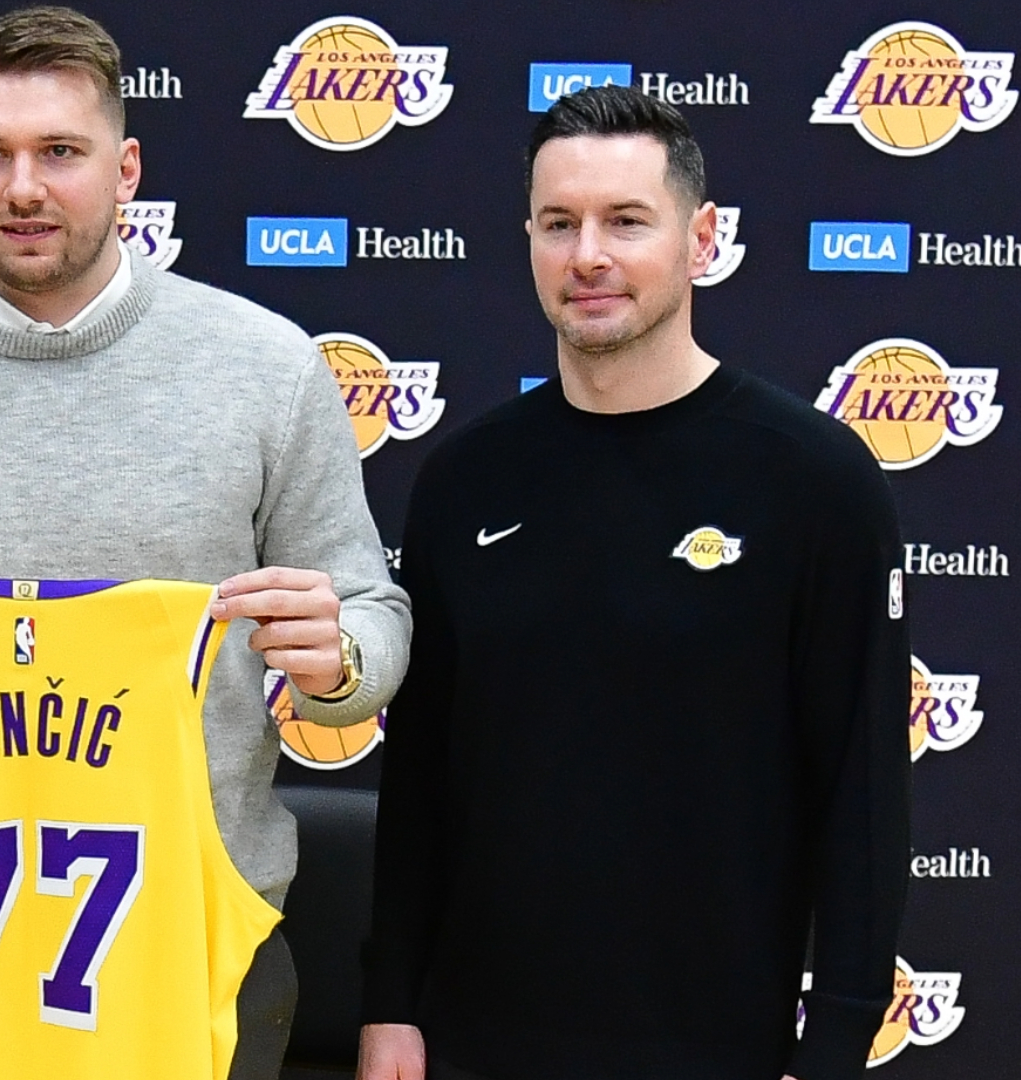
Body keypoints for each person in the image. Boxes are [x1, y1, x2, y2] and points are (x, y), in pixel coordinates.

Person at [0, 7, 410, 1077]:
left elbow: (369, 616)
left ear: (125, 168)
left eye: (60, 151)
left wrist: (339, 662)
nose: (25, 188)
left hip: (195, 947)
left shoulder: (267, 368)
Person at [357, 85, 908, 1080]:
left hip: (718, 1045)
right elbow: (421, 773)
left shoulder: (815, 478)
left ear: (701, 240)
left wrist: (832, 1045)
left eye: (626, 221)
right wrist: (389, 1002)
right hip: (476, 1041)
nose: (588, 256)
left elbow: (862, 794)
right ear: (529, 240)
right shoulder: (462, 478)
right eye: (558, 223)